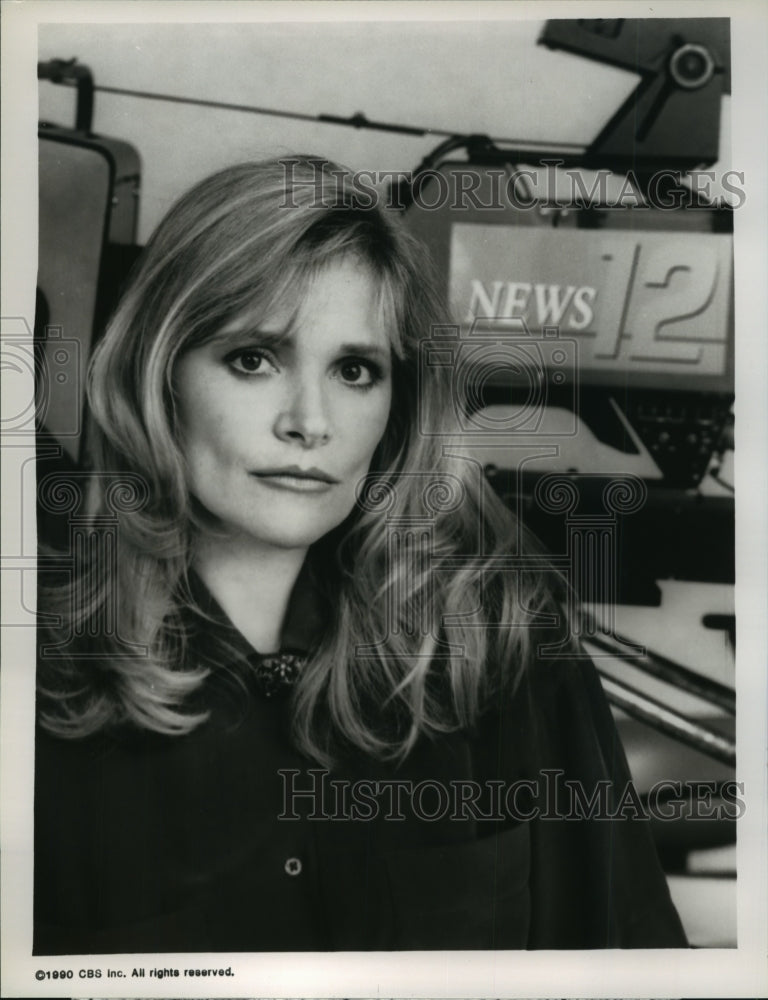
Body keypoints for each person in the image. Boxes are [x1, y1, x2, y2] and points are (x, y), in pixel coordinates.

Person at [34, 156, 687, 953]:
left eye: (354, 370)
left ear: (396, 403)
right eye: (253, 358)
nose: (310, 422)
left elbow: (626, 956)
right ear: (157, 372)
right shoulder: (40, 681)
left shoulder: (502, 640)